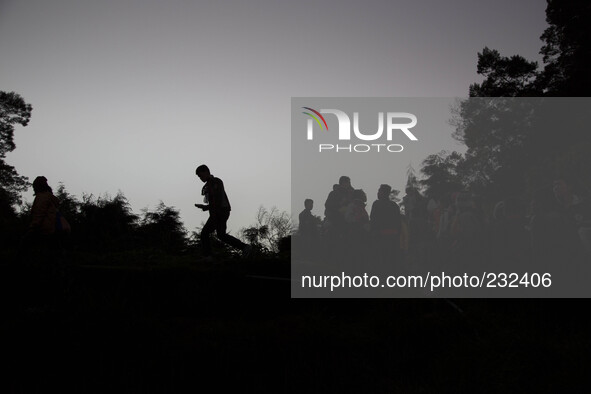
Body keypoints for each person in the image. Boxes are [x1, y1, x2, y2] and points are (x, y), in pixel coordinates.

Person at [195, 165, 250, 260]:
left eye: (201, 175)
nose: (200, 178)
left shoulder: (216, 182)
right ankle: (244, 247)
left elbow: (218, 200)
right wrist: (206, 207)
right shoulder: (209, 185)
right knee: (221, 235)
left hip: (220, 212)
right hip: (218, 212)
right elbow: (214, 201)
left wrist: (206, 207)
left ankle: (208, 255)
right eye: (199, 177)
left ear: (206, 172)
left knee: (205, 233)